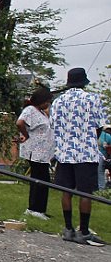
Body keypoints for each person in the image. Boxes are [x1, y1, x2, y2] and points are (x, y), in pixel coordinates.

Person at [50, 67, 108, 246]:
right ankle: (83, 231)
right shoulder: (92, 99)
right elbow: (100, 125)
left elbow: (53, 126)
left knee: (66, 191)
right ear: (84, 83)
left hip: (64, 152)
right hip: (86, 152)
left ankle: (68, 229)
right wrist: (91, 140)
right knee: (85, 193)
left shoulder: (58, 102)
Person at [17, 86, 54, 219]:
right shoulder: (30, 110)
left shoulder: (42, 113)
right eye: (47, 101)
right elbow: (20, 123)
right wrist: (26, 135)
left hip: (44, 153)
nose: (48, 104)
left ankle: (40, 209)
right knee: (40, 179)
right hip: (36, 151)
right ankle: (34, 208)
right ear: (41, 100)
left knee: (44, 179)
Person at [99, 123, 111, 191]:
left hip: (104, 156)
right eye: (108, 129)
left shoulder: (108, 136)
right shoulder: (101, 135)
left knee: (100, 169)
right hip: (98, 155)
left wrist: (108, 147)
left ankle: (101, 189)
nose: (109, 130)